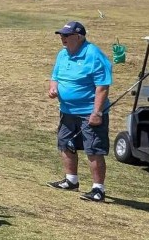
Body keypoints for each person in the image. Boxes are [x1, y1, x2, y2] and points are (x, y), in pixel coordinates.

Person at [47, 21, 112, 202]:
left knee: (93, 149)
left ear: (79, 36)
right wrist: (53, 88)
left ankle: (98, 189)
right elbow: (55, 77)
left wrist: (97, 113)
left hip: (89, 112)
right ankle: (71, 180)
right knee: (65, 143)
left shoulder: (94, 55)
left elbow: (102, 87)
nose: (63, 38)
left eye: (67, 35)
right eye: (62, 35)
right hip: (67, 111)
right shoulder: (62, 54)